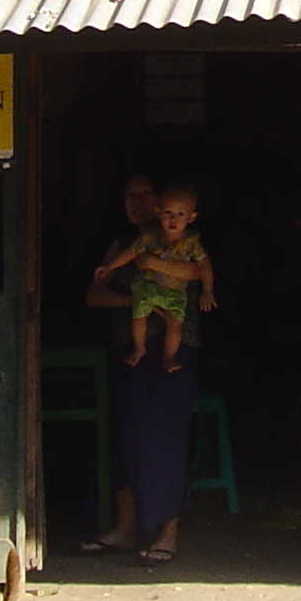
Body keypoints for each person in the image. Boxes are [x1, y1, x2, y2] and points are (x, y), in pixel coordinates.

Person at [83, 173, 206, 564]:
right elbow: (94, 295)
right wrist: (137, 302)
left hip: (171, 350)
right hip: (129, 349)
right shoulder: (123, 246)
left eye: (144, 194)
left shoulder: (183, 244)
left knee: (166, 438)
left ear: (162, 203)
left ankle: (168, 534)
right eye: (129, 195)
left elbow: (196, 276)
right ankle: (125, 528)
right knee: (127, 438)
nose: (136, 202)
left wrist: (150, 265)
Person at [102, 185, 214, 372]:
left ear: (191, 217)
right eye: (168, 212)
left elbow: (203, 267)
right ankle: (139, 348)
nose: (173, 218)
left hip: (174, 292)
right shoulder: (150, 238)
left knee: (175, 324)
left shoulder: (191, 243)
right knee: (139, 317)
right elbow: (131, 252)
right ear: (158, 213)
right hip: (148, 286)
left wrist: (208, 291)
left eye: (180, 214)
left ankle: (169, 357)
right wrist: (110, 266)